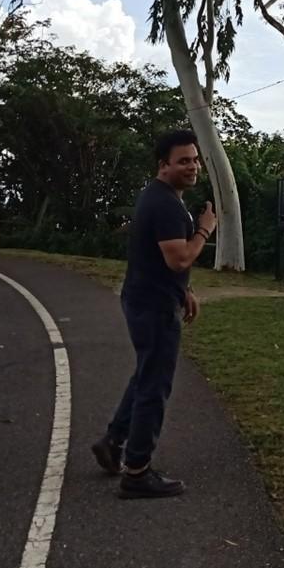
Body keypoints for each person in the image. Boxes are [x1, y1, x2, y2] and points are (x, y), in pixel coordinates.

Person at [91, 128, 217, 499]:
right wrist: (206, 231)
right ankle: (137, 471)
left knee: (147, 373)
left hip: (149, 297)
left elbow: (162, 259)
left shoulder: (163, 198)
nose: (192, 167)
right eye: (183, 161)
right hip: (153, 306)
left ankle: (114, 440)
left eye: (194, 160)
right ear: (163, 166)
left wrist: (186, 289)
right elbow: (178, 257)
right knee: (154, 385)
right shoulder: (163, 203)